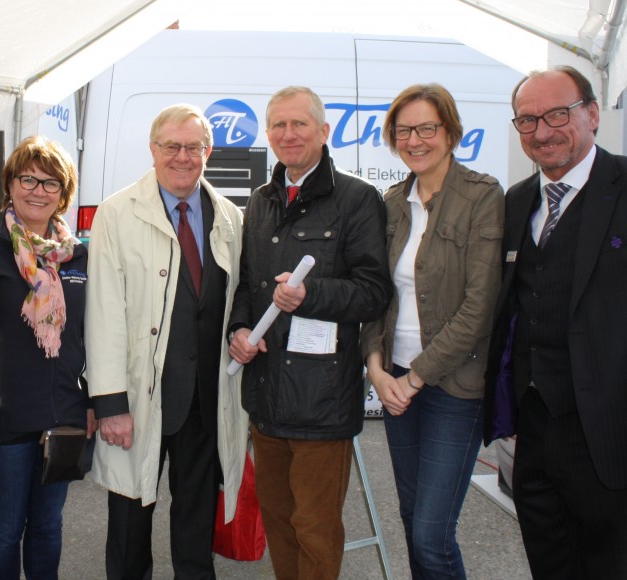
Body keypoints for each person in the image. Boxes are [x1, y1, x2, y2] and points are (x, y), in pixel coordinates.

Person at [227, 86, 391, 580]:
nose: (288, 134)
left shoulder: (358, 198)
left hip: (321, 400)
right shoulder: (260, 200)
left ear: (323, 131)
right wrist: (238, 328)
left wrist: (310, 295)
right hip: (266, 396)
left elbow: (373, 292)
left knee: (315, 527)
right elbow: (246, 285)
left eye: (300, 124)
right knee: (278, 520)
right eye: (278, 124)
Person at [85, 103, 247, 579]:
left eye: (193, 147)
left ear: (208, 151)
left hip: (205, 399)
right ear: (153, 150)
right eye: (171, 146)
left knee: (196, 528)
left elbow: (237, 298)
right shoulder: (117, 213)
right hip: (139, 397)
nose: (182, 157)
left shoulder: (230, 217)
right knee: (130, 527)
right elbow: (104, 313)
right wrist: (110, 401)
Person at [484, 65, 627, 578]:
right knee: (549, 560)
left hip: (608, 436)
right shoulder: (517, 201)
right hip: (533, 432)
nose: (542, 131)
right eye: (527, 120)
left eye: (557, 114)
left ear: (592, 113)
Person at [360, 84, 504, 579]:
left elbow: (479, 306)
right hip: (396, 378)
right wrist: (377, 368)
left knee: (431, 533)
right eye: (404, 131)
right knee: (411, 518)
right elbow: (379, 294)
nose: (415, 140)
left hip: (451, 386)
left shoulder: (482, 196)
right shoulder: (393, 200)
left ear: (450, 131)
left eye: (427, 128)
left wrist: (415, 378)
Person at [0, 135, 95, 579]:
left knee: (48, 525)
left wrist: (93, 404)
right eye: (29, 179)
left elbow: (91, 336)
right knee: (4, 529)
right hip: (1, 417)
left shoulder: (78, 256)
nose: (38, 191)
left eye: (51, 184)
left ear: (63, 194)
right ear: (10, 183)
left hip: (64, 413)